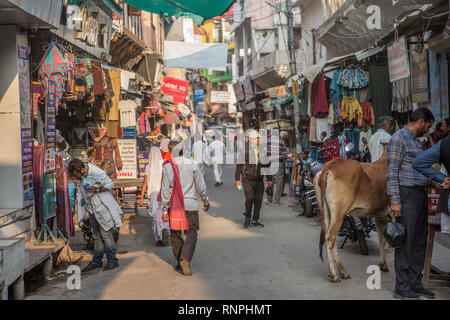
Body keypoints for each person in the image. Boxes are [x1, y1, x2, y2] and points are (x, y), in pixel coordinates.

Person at [386, 107, 438, 300]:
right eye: (428, 126)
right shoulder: (399, 139)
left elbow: (419, 169)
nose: (428, 130)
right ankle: (402, 286)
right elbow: (392, 171)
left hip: (420, 195)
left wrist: (435, 182)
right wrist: (395, 200)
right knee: (405, 242)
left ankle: (415, 283)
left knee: (419, 242)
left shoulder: (416, 142)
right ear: (421, 122)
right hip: (406, 195)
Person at [160, 139, 210, 276]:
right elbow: (201, 185)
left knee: (175, 233)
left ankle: (180, 260)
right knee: (192, 232)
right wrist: (205, 200)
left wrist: (164, 209)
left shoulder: (168, 166)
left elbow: (165, 190)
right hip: (190, 204)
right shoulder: (192, 163)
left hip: (174, 205)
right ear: (183, 150)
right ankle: (185, 258)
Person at [68, 158, 123, 272]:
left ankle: (112, 260)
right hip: (92, 211)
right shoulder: (83, 176)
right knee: (96, 236)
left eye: (76, 175)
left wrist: (96, 189)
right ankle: (97, 261)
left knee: (106, 235)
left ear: (82, 169)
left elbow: (110, 184)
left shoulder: (95, 172)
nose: (76, 177)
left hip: (101, 210)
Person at [413, 135, 450, 234]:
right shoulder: (445, 144)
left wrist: (443, 179)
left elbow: (419, 162)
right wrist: (444, 179)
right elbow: (419, 162)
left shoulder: (444, 144)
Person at [235, 129, 270, 228]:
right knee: (250, 198)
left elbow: (266, 165)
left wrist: (269, 178)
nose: (258, 140)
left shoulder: (262, 150)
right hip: (247, 179)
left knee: (258, 200)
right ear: (251, 140)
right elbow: (239, 165)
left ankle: (255, 220)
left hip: (259, 179)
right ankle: (247, 218)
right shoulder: (244, 150)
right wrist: (237, 179)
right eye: (256, 138)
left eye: (258, 138)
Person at [139, 147, 170, 246]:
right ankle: (165, 229)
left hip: (153, 194)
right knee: (164, 212)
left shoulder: (149, 167)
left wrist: (141, 197)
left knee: (155, 215)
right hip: (164, 192)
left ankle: (158, 236)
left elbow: (144, 183)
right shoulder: (164, 164)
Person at [264, 130, 288, 206]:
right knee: (279, 182)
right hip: (278, 163)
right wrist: (283, 160)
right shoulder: (281, 142)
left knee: (269, 181)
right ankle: (276, 201)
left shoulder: (266, 141)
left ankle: (269, 200)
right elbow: (284, 155)